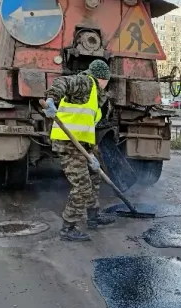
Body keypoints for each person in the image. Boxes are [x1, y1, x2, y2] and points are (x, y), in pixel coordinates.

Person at [43, 59, 115, 242]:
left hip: (82, 145)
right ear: (103, 78)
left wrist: (91, 153)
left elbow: (86, 126)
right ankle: (68, 228)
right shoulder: (86, 82)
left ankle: (93, 216)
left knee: (94, 176)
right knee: (82, 187)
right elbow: (63, 82)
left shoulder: (95, 96)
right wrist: (51, 99)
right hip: (68, 143)